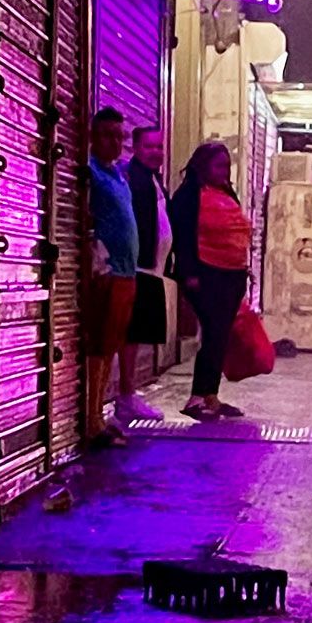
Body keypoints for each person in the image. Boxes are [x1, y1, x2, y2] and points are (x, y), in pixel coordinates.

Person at [168, 142, 254, 423]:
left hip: (231, 275)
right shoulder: (190, 194)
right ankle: (197, 397)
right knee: (214, 332)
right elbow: (181, 235)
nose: (223, 171)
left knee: (219, 336)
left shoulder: (226, 192)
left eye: (226, 166)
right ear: (202, 165)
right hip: (205, 275)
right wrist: (189, 272)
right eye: (218, 165)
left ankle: (210, 395)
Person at [80, 107, 139, 445]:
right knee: (99, 347)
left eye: (119, 136)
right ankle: (91, 420)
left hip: (126, 274)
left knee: (112, 345)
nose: (114, 142)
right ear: (92, 136)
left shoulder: (117, 174)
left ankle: (100, 414)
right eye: (107, 135)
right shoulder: (90, 174)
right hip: (107, 273)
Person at [118, 121, 170, 422]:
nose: (155, 152)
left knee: (136, 335)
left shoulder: (151, 179)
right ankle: (125, 395)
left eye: (159, 146)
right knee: (129, 334)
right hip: (137, 267)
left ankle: (128, 393)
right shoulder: (132, 177)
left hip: (151, 268)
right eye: (149, 146)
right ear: (135, 148)